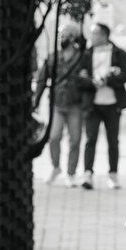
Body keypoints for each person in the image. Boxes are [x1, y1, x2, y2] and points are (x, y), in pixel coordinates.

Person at [34, 19, 94, 186]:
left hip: (76, 104)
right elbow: (41, 79)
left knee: (75, 140)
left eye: (65, 35)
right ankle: (55, 167)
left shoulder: (82, 56)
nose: (62, 38)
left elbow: (91, 78)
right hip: (57, 104)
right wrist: (36, 100)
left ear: (73, 37)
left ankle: (71, 172)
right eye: (60, 35)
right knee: (53, 137)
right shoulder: (54, 56)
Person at [86, 21, 126, 188]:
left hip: (113, 103)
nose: (92, 37)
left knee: (113, 141)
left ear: (104, 36)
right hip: (92, 104)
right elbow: (79, 77)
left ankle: (113, 174)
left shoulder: (119, 54)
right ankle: (88, 174)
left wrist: (109, 79)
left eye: (95, 34)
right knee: (90, 139)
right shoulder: (86, 54)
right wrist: (91, 82)